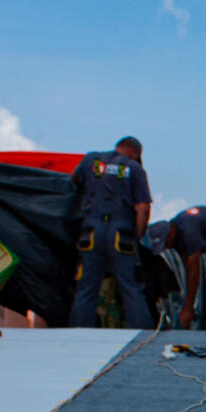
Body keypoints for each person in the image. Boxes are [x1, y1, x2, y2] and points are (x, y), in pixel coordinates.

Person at [68, 136, 153, 329]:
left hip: (91, 230)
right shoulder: (135, 168)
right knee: (131, 287)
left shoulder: (91, 160)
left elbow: (73, 180)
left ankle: (77, 334)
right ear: (135, 153)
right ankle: (142, 334)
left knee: (86, 288)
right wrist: (137, 236)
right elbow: (143, 209)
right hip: (120, 232)